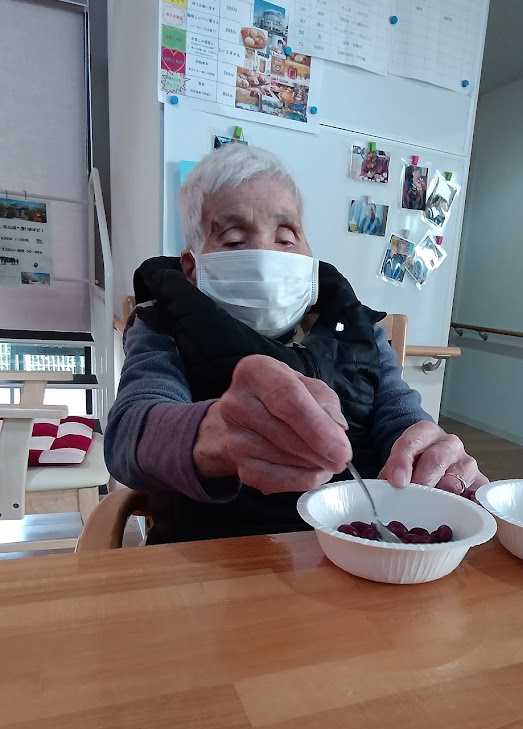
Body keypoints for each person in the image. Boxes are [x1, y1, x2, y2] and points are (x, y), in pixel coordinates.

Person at [105, 145, 487, 544]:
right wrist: (218, 435)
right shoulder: (161, 324)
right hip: (216, 555)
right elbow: (129, 436)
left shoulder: (359, 327)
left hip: (360, 547)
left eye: (286, 238)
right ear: (191, 267)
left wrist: (426, 451)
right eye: (234, 240)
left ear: (308, 254)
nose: (265, 255)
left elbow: (398, 414)